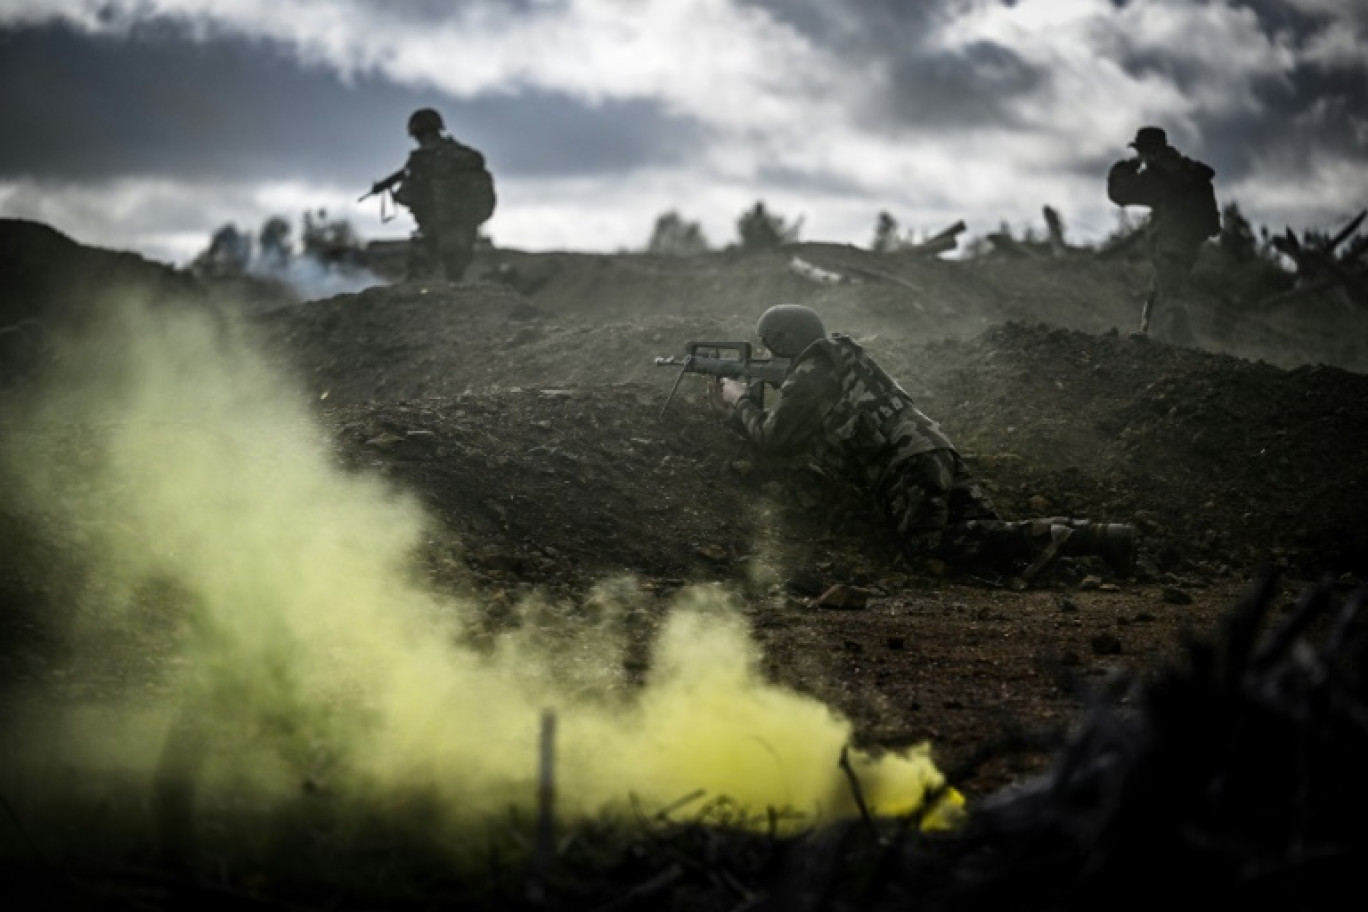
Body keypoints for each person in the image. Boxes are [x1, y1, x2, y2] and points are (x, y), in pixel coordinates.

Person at [707, 304, 1137, 584]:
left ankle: (1080, 538)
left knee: (928, 548)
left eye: (771, 346)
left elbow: (773, 439)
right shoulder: (844, 358)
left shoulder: (809, 374)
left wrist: (739, 398)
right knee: (991, 540)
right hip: (933, 448)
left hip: (907, 465)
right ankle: (1099, 540)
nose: (769, 353)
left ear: (782, 342)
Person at [1106, 126, 1221, 346]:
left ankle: (1181, 347)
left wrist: (1129, 166)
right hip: (1189, 243)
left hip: (1171, 243)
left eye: (1140, 152)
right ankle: (1156, 338)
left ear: (1147, 151)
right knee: (1161, 290)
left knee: (1171, 298)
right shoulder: (1186, 170)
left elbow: (1120, 193)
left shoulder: (1162, 175)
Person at [392, 107, 496, 283]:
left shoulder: (422, 161)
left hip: (439, 228)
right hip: (462, 227)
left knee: (421, 277)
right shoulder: (462, 155)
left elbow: (408, 194)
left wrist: (399, 195)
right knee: (454, 277)